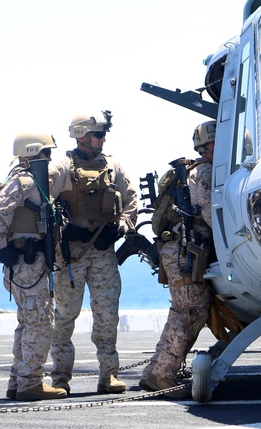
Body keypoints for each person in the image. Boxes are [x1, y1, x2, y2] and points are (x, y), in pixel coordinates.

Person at [49, 112, 138, 395]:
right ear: (82, 135)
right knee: (65, 314)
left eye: (102, 134)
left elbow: (131, 200)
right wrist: (63, 231)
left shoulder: (113, 167)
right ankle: (60, 376)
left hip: (103, 251)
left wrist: (122, 226)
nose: (102, 139)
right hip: (71, 254)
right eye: (98, 134)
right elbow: (44, 203)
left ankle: (108, 375)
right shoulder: (60, 167)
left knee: (107, 313)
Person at [0, 133, 69, 402]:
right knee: (41, 324)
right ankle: (30, 382)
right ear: (35, 152)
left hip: (27, 265)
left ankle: (18, 380)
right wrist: (1, 247)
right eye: (46, 152)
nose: (50, 157)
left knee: (27, 324)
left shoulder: (28, 180)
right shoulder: (26, 179)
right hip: (26, 265)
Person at [139, 120, 216, 398]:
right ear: (208, 146)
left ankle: (154, 371)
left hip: (177, 248)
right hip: (186, 249)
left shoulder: (193, 171)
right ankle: (163, 375)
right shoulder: (205, 172)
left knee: (181, 309)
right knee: (192, 308)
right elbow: (211, 214)